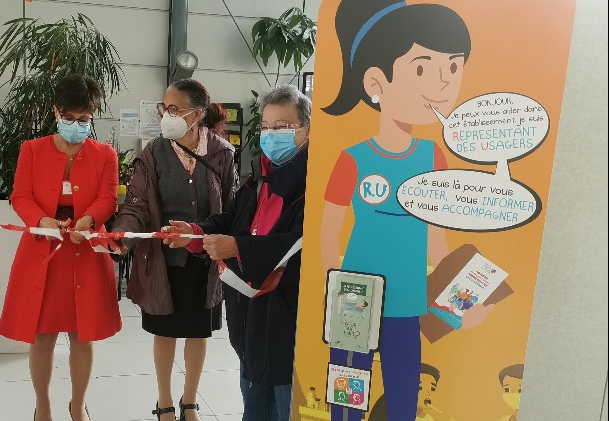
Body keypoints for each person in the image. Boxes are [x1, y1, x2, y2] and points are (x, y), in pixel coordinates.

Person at [318, 1, 491, 419]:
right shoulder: (352, 158)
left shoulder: (434, 157)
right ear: (376, 82)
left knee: (402, 398)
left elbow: (437, 242)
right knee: (346, 398)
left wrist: (463, 305)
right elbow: (328, 236)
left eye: (452, 67)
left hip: (408, 300)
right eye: (422, 68)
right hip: (354, 297)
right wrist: (338, 296)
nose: (442, 83)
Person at [164, 84, 310, 421]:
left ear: (307, 130)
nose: (271, 135)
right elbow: (233, 220)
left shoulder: (315, 185)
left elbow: (303, 246)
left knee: (284, 406)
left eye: (282, 127)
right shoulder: (259, 176)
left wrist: (238, 247)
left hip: (288, 322)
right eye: (266, 127)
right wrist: (195, 234)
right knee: (253, 403)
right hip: (250, 320)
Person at [112, 79, 237, 421]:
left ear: (197, 114)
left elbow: (232, 208)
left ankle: (190, 402)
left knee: (198, 331)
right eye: (163, 108)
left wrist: (213, 239)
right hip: (163, 259)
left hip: (205, 258)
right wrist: (122, 235)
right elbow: (136, 204)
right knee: (164, 331)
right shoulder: (154, 152)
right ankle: (165, 402)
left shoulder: (222, 153)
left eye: (173, 109)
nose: (166, 115)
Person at [0, 74, 121, 421]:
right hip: (43, 251)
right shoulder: (32, 149)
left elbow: (108, 198)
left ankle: (78, 404)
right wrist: (41, 220)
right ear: (56, 111)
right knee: (42, 335)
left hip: (86, 249)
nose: (76, 125)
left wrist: (89, 221)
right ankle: (43, 404)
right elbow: (20, 196)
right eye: (69, 118)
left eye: (84, 119)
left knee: (83, 335)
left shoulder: (105, 154)